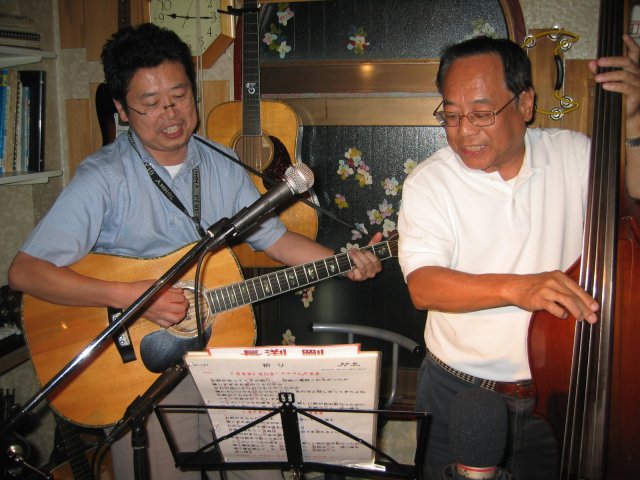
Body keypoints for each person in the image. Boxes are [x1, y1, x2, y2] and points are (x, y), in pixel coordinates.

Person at [8, 23, 382, 479]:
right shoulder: (102, 178)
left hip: (217, 352)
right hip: (135, 372)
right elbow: (26, 272)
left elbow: (276, 240)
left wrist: (343, 263)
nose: (170, 114)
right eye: (150, 103)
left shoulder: (222, 164)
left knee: (265, 467)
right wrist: (131, 296)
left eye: (180, 96)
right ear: (121, 109)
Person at [397, 34, 640, 480]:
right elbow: (423, 286)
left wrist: (637, 116)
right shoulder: (430, 182)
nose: (464, 131)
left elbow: (634, 203)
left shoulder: (574, 155)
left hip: (563, 391)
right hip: (458, 391)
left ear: (525, 104)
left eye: (481, 113)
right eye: (451, 115)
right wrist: (519, 287)